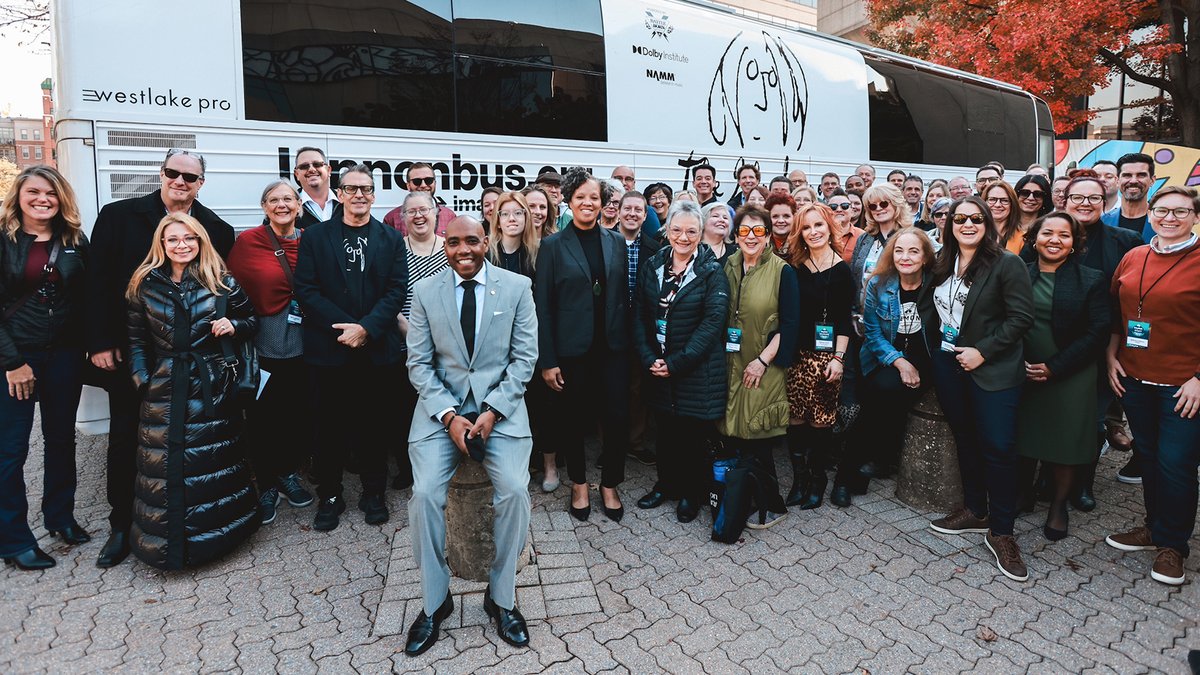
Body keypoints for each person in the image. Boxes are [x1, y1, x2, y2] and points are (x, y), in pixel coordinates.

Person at [86, 148, 234, 568]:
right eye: (173, 173)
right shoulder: (119, 216)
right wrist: (100, 341)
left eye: (190, 176)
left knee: (189, 443)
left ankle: (186, 525)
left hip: (193, 359)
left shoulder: (217, 229)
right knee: (128, 437)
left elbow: (222, 293)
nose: (180, 181)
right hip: (132, 350)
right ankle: (121, 524)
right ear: (161, 173)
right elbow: (96, 283)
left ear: (201, 183)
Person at [404, 215, 537, 655]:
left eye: (473, 241)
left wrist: (494, 410)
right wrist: (448, 417)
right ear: (445, 245)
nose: (464, 250)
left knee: (515, 490)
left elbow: (524, 359)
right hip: (440, 412)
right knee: (424, 495)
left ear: (486, 241)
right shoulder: (425, 292)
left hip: (502, 411)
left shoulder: (516, 288)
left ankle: (501, 598)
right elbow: (419, 364)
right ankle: (434, 601)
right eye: (455, 242)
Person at [125, 212, 259, 569]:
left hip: (210, 383)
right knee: (163, 463)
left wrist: (233, 325)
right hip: (164, 386)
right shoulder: (145, 283)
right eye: (173, 239)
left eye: (189, 238)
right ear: (162, 244)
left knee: (211, 461)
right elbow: (136, 339)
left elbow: (251, 320)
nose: (181, 245)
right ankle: (168, 548)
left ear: (200, 241)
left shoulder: (221, 280)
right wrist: (142, 379)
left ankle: (213, 543)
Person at [924, 196, 1034, 582]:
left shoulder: (1007, 263)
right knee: (965, 438)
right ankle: (976, 510)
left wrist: (983, 351)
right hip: (948, 364)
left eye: (975, 218)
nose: (967, 224)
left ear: (987, 223)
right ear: (949, 224)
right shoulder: (942, 262)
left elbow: (1021, 317)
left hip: (993, 368)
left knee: (999, 448)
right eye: (960, 219)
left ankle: (1002, 532)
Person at [293, 165, 408, 532]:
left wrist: (367, 328)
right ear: (339, 193)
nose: (360, 195)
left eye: (367, 189)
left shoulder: (391, 238)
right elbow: (306, 289)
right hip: (329, 349)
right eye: (352, 188)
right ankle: (330, 495)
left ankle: (374, 493)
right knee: (328, 429)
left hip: (376, 350)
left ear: (373, 195)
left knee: (374, 427)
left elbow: (396, 290)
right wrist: (347, 328)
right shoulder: (315, 237)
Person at [1023, 173, 1142, 505]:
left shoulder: (1126, 241)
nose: (1085, 204)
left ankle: (1082, 485)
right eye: (1078, 197)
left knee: (1091, 421)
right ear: (1065, 201)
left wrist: (1118, 348)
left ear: (1105, 203)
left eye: (1093, 198)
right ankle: (1045, 480)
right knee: (1046, 417)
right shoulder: (1044, 239)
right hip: (1050, 344)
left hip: (1102, 344)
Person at [1104, 186, 1200, 586]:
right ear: (1151, 213)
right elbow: (1117, 312)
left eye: (1181, 211)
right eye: (1162, 210)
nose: (1169, 218)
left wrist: (1198, 379)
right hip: (1135, 380)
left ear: (1195, 217)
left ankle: (1173, 546)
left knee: (1176, 464)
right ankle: (1154, 528)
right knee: (1149, 458)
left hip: (1183, 387)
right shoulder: (1135, 256)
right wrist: (1111, 355)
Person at [0, 166, 91, 570]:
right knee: (11, 450)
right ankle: (13, 540)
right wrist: (13, 362)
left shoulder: (74, 239)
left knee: (60, 440)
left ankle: (60, 517)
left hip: (64, 356)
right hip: (16, 359)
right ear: (18, 197)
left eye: (51, 193)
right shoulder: (4, 240)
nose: (43, 199)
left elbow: (87, 297)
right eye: (34, 192)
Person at [535, 168, 630, 523]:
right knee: (573, 420)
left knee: (616, 419)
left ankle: (610, 484)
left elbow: (623, 297)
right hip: (571, 351)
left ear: (602, 202)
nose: (588, 203)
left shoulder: (616, 241)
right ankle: (578, 483)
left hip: (613, 348)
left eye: (594, 197)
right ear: (569, 201)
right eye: (581, 197)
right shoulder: (552, 246)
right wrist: (548, 360)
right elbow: (543, 307)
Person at [632, 200, 729, 523]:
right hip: (658, 366)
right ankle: (666, 485)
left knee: (692, 436)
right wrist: (649, 357)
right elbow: (640, 315)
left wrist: (675, 363)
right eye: (676, 230)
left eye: (690, 231)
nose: (683, 237)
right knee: (666, 432)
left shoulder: (711, 271)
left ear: (700, 233)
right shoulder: (653, 265)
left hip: (694, 369)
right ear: (667, 230)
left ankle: (692, 493)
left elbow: (712, 324)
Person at [226, 181, 316, 525]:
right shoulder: (249, 242)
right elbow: (231, 291)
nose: (282, 205)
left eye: (288, 199)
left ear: (299, 206)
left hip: (305, 344)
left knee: (296, 414)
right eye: (274, 199)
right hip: (262, 344)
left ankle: (288, 474)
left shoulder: (311, 241)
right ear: (264, 206)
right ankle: (266, 485)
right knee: (263, 418)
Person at [1015, 212, 1108, 541]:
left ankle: (1058, 506)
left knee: (1066, 443)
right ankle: (1022, 495)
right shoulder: (1019, 273)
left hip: (1071, 373)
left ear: (1074, 243)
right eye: (1047, 233)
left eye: (1064, 235)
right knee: (1025, 436)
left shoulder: (1091, 279)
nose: (1054, 240)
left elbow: (1098, 332)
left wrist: (1055, 366)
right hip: (1024, 370)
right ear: (1034, 238)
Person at [834, 227, 936, 505]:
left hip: (926, 361)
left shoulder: (936, 285)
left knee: (883, 397)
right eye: (899, 251)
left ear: (925, 257)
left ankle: (862, 468)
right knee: (879, 393)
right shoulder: (879, 284)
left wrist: (913, 366)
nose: (905, 257)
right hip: (885, 357)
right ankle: (856, 470)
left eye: (913, 251)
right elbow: (873, 334)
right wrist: (900, 362)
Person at [717, 205, 798, 528]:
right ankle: (744, 497)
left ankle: (773, 504)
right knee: (734, 434)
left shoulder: (782, 271)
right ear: (735, 235)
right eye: (744, 230)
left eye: (758, 230)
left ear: (768, 235)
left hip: (763, 364)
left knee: (758, 437)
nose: (751, 237)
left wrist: (762, 361)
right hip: (729, 363)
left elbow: (790, 324)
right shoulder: (727, 265)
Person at [782, 203, 854, 510]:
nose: (813, 232)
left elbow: (844, 320)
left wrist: (838, 359)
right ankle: (799, 479)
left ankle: (817, 480)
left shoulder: (842, 270)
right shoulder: (794, 267)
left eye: (818, 225)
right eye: (806, 227)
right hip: (795, 355)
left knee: (821, 420)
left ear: (829, 227)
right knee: (796, 418)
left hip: (826, 357)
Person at [393, 191, 450, 490]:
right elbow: (389, 295)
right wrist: (413, 334)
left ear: (435, 213)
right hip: (405, 341)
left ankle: (442, 465)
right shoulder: (395, 251)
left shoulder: (450, 248)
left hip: (446, 344)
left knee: (441, 405)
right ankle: (408, 468)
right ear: (402, 218)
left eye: (424, 209)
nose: (418, 216)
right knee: (405, 409)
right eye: (411, 211)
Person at [614, 190, 663, 468]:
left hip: (643, 327)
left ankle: (635, 442)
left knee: (639, 388)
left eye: (638, 210)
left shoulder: (656, 249)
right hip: (611, 327)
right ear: (619, 211)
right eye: (628, 208)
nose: (632, 214)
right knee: (611, 388)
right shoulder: (605, 242)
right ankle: (611, 444)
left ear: (645, 216)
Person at [385, 162, 457, 236]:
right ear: (408, 186)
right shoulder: (391, 218)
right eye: (417, 181)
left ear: (435, 183)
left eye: (428, 180)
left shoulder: (450, 216)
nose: (423, 185)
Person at [1101, 152, 1155, 243]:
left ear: (1152, 180)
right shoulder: (1102, 222)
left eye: (1141, 175)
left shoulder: (1163, 222)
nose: (1133, 181)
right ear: (1117, 180)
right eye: (1127, 175)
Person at [292, 147, 341, 228]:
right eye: (304, 166)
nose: (311, 169)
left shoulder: (345, 202)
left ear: (328, 170)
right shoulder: (290, 207)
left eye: (317, 164)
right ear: (297, 174)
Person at [984, 181, 1023, 254]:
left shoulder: (1023, 239)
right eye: (992, 199)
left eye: (1004, 200)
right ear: (984, 202)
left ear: (1012, 204)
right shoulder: (976, 233)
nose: (998, 205)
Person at [826, 189, 864, 263]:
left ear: (852, 211)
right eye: (833, 207)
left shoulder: (862, 236)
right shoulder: (820, 234)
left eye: (844, 206)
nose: (839, 210)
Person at [765, 193, 797, 259]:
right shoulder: (760, 244)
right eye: (775, 216)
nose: (781, 221)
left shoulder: (803, 244)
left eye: (786, 216)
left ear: (794, 217)